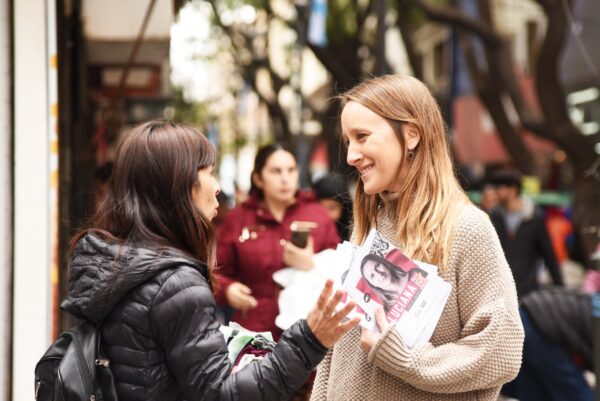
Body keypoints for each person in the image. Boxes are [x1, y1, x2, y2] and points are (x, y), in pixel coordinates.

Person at [60, 120, 360, 401]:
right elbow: (221, 394)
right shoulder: (175, 281)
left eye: (291, 170)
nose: (217, 187)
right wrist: (309, 340)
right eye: (209, 172)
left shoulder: (111, 261)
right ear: (178, 184)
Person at [311, 74, 524, 401]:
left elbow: (500, 352)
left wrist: (404, 356)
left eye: (362, 136)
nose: (351, 156)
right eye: (348, 141)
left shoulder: (467, 229)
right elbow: (340, 350)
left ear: (411, 135)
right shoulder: (371, 223)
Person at [216, 143, 341, 339]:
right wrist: (227, 289)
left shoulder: (317, 214)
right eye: (276, 171)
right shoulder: (238, 218)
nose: (285, 179)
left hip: (307, 329)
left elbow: (340, 272)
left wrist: (311, 264)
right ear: (258, 178)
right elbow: (215, 273)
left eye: (291, 170)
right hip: (255, 331)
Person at [489, 168, 564, 298]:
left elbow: (548, 253)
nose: (496, 192)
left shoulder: (534, 217)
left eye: (499, 187)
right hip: (500, 291)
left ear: (513, 189)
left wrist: (560, 288)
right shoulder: (494, 216)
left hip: (528, 291)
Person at [312, 172, 353, 241]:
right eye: (321, 207)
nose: (326, 214)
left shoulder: (354, 234)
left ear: (344, 208)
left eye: (332, 208)